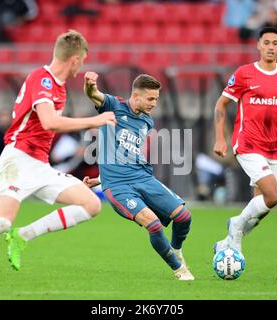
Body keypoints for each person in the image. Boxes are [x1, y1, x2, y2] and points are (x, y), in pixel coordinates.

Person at [0, 30, 116, 291]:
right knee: (0, 223)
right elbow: (49, 122)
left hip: (39, 164)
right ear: (74, 59)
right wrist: (95, 120)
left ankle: (23, 235)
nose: (81, 65)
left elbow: (47, 124)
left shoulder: (57, 86)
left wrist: (92, 92)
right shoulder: (43, 80)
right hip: (18, 159)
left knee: (91, 204)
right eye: (82, 60)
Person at [82, 72, 194, 281]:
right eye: (151, 99)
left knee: (184, 217)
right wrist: (90, 84)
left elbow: (125, 152)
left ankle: (176, 249)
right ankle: (179, 269)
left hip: (142, 176)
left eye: (157, 99)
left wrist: (98, 177)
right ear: (136, 95)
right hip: (117, 186)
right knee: (153, 224)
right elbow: (94, 95)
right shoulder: (114, 106)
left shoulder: (147, 121)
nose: (154, 103)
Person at [213, 27, 277, 255]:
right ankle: (235, 226)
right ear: (258, 45)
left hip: (273, 148)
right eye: (267, 43)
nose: (271, 47)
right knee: (274, 195)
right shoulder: (245, 73)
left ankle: (226, 243)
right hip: (247, 143)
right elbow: (220, 105)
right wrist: (220, 139)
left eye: (275, 43)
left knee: (260, 211)